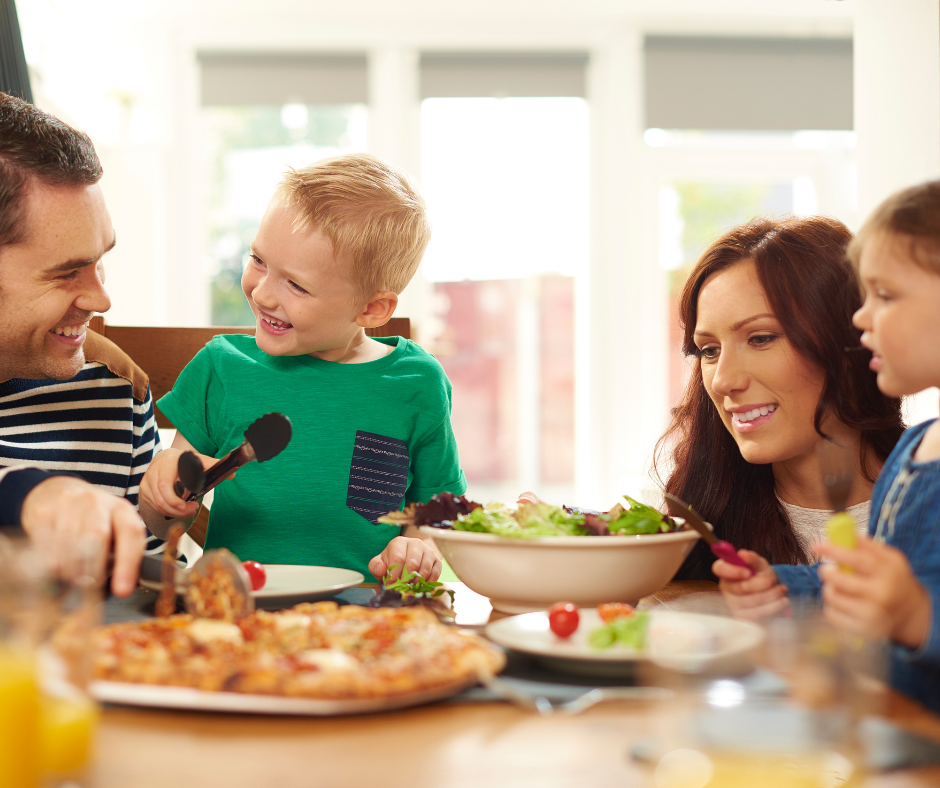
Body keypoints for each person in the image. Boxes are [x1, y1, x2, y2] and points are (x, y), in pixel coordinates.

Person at [140, 153, 465, 582]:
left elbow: (440, 518)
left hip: (366, 612)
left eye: (295, 284)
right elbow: (164, 527)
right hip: (236, 607)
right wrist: (162, 496)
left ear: (371, 309)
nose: (262, 294)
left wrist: (418, 548)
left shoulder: (416, 384)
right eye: (258, 260)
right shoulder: (221, 368)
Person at [716, 181, 940, 713]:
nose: (860, 318)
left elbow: (907, 602)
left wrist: (918, 617)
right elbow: (862, 582)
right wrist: (781, 587)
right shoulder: (916, 448)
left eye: (885, 296)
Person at [654, 216, 904, 584]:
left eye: (760, 339)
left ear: (849, 340)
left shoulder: (924, 491)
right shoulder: (698, 518)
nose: (723, 380)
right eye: (709, 350)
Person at [0, 92, 157, 596]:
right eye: (66, 272)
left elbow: (151, 594)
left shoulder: (115, 386)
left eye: (98, 260)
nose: (101, 300)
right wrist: (27, 495)